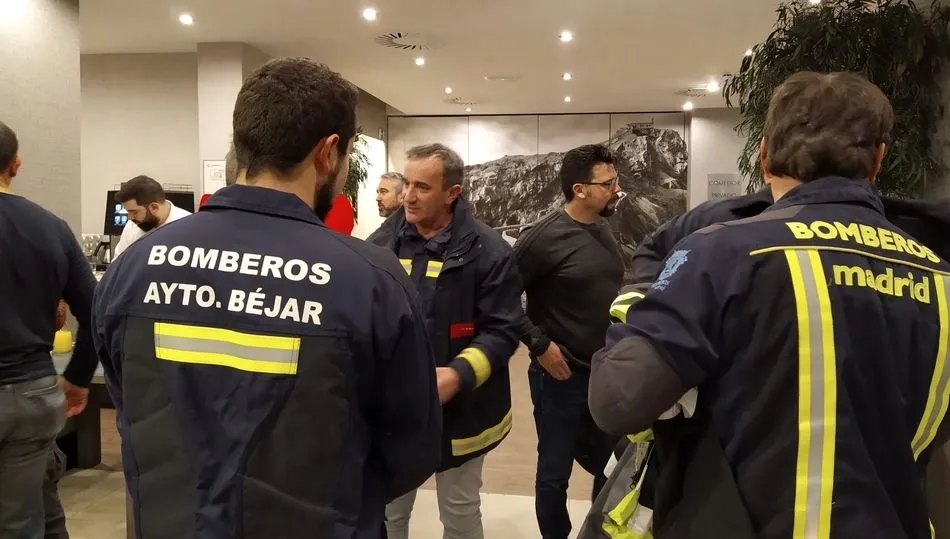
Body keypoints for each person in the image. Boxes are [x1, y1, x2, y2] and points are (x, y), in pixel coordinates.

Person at [588, 71, 950, 538]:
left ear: (762, 155)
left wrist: (638, 295)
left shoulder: (723, 254)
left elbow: (617, 400)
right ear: (878, 159)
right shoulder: (938, 275)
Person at [91, 58, 442, 539]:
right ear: (329, 153)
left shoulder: (132, 268)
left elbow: (128, 402)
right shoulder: (372, 281)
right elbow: (412, 449)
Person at [368, 143, 522, 539]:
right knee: (388, 512)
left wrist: (457, 376)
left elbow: (503, 331)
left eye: (422, 187)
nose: (408, 196)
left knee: (459, 512)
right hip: (393, 414)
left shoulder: (490, 252)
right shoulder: (378, 245)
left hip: (464, 413)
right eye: (406, 184)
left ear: (452, 194)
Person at [513, 144, 624, 539]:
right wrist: (539, 345)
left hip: (605, 375)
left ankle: (598, 532)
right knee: (554, 474)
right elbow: (499, 298)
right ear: (579, 189)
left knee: (614, 465)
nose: (616, 189)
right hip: (560, 377)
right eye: (608, 182)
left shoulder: (604, 226)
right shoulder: (542, 237)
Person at [0, 120, 97, 538]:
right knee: (26, 517)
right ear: (15, 165)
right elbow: (96, 308)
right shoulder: (49, 227)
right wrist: (77, 376)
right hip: (32, 394)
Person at [113, 175, 191, 258]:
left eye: (135, 212)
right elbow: (117, 264)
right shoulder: (132, 227)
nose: (130, 218)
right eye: (128, 212)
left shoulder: (189, 226)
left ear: (154, 207)